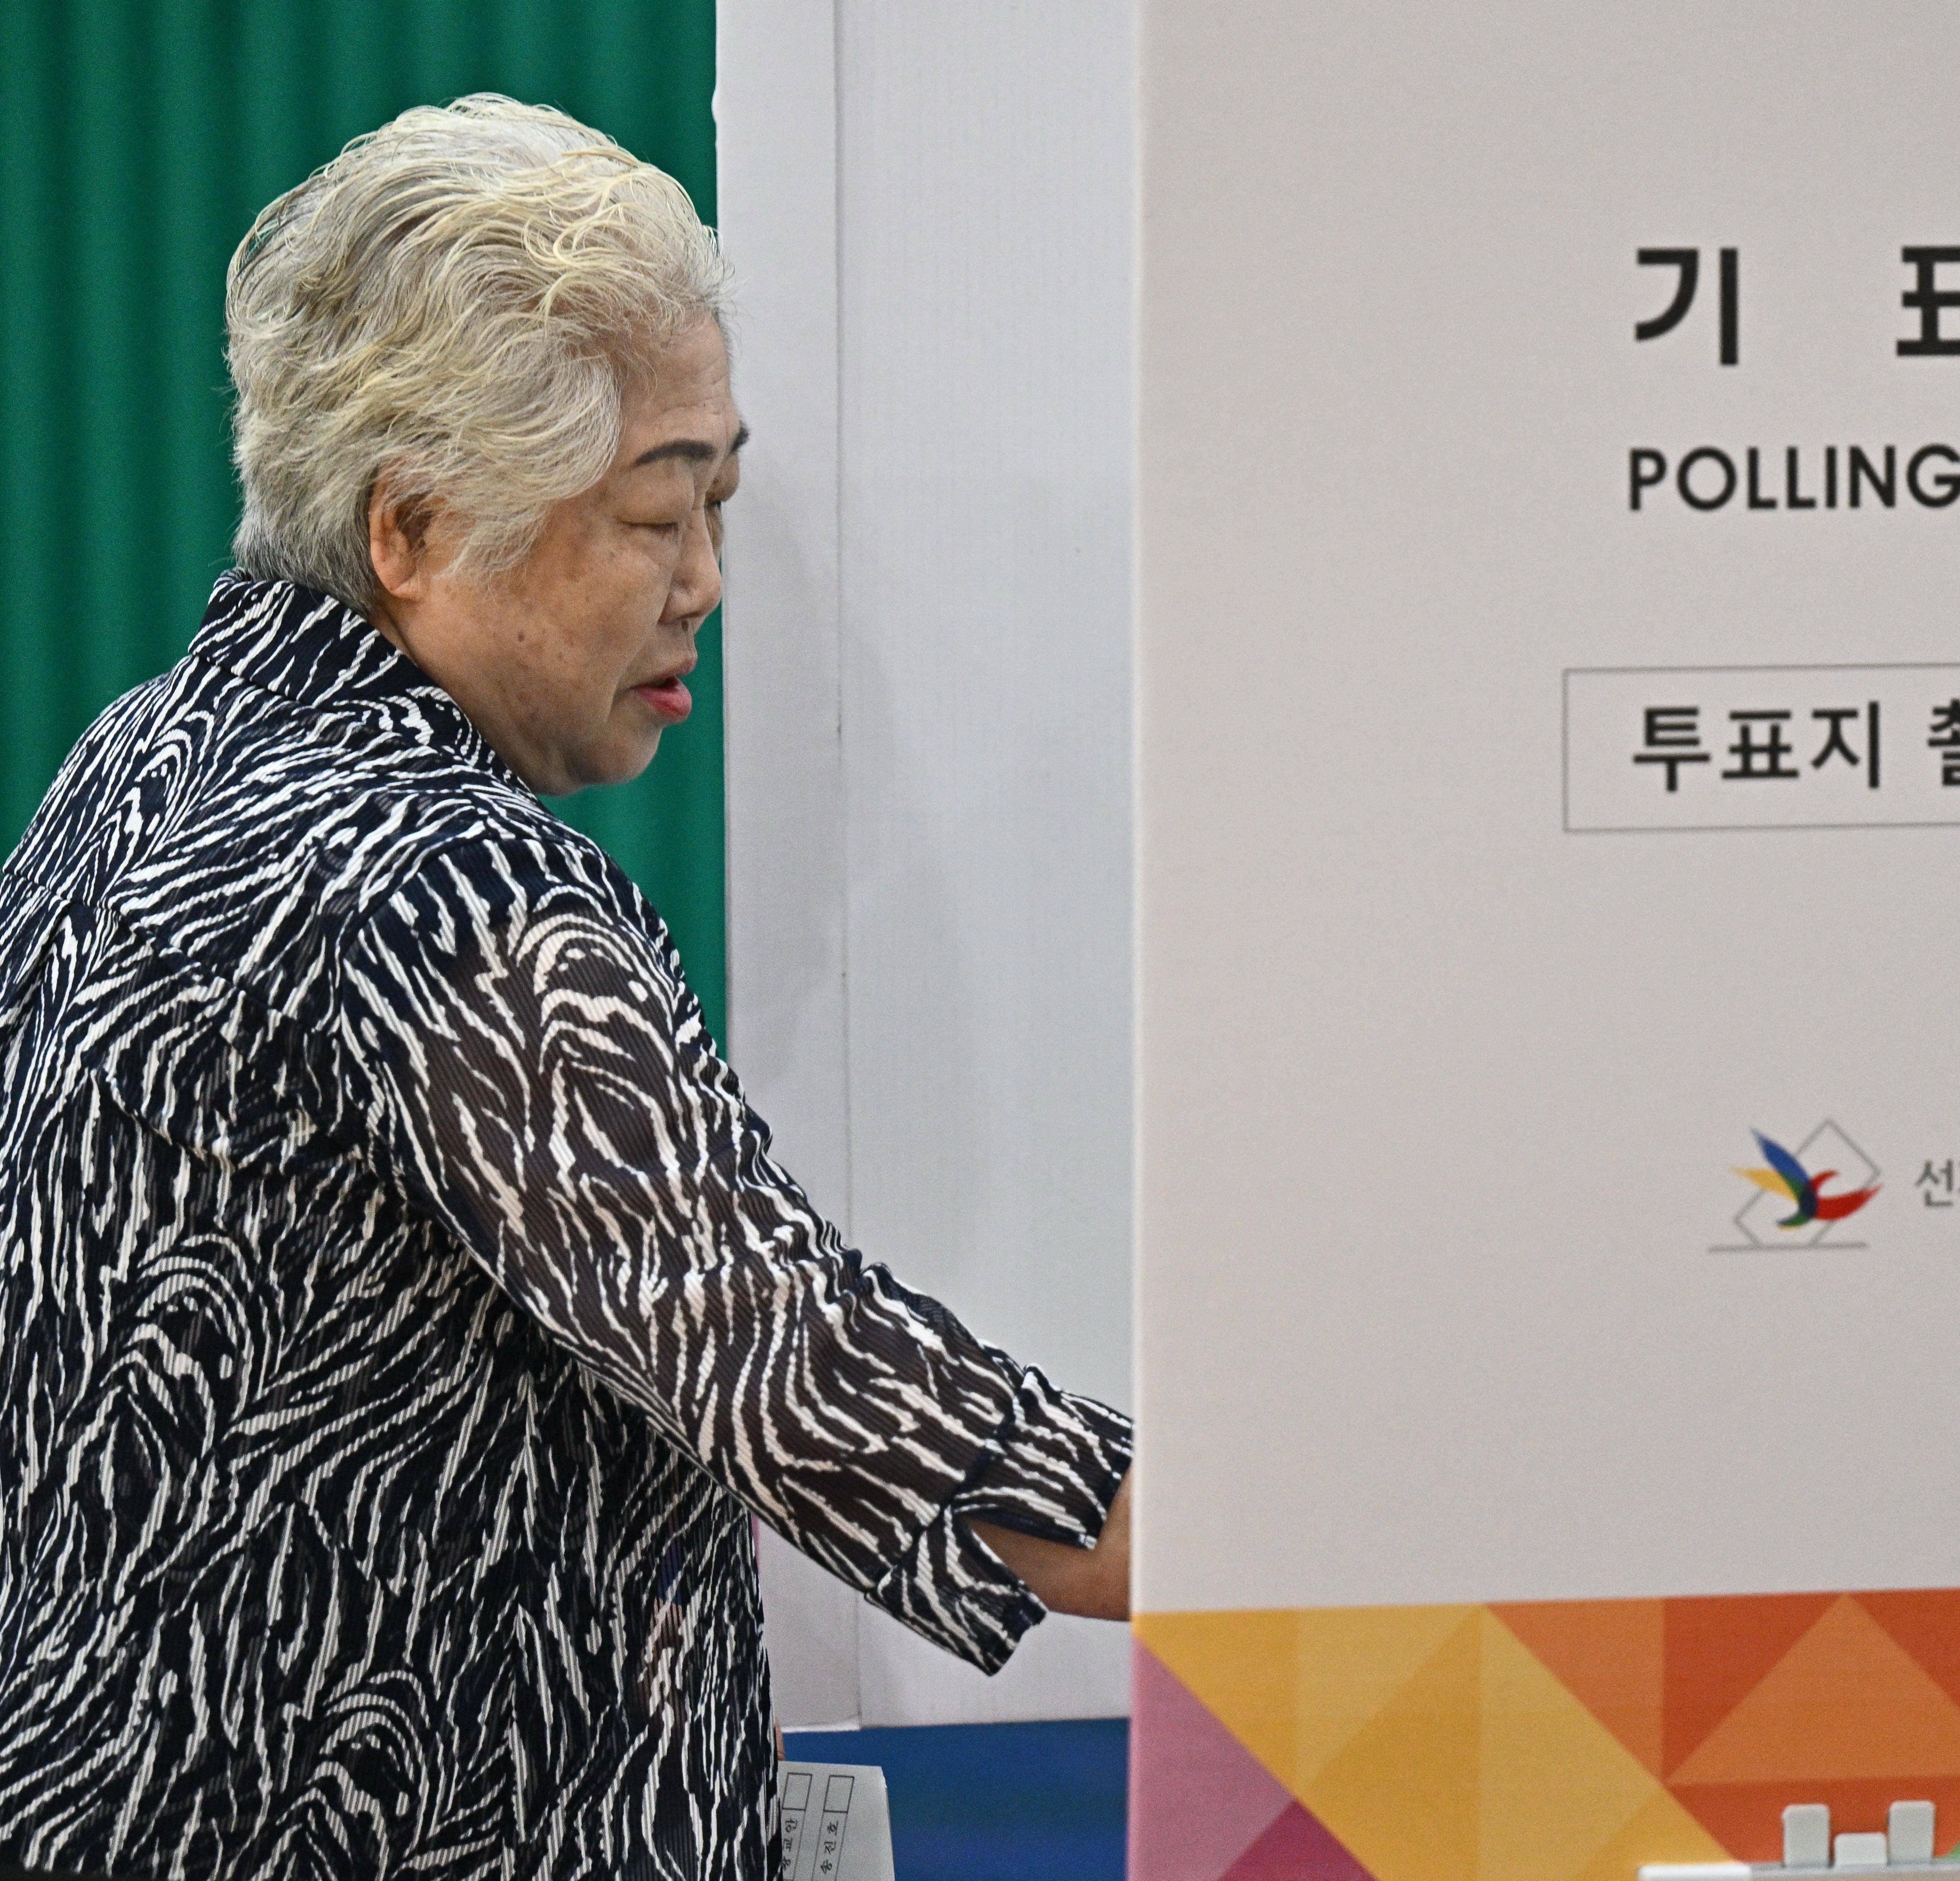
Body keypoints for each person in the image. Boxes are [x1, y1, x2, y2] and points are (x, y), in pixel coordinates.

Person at [0, 97, 1130, 1879]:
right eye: (653, 514)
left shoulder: (132, 766)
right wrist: (1305, 1540)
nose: (705, 585)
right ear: (413, 526)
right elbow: (799, 1368)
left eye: (720, 505)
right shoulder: (449, 883)